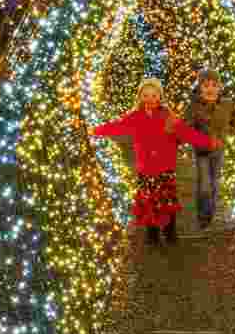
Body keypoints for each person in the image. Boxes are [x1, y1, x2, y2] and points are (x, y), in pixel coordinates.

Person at [91, 77, 221, 244]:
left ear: (160, 97)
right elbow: (117, 126)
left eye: (154, 96)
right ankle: (151, 234)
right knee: (148, 202)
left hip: (165, 168)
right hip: (145, 169)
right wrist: (96, 130)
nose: (150, 99)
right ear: (140, 97)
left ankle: (170, 232)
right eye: (146, 95)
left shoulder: (168, 117)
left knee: (167, 202)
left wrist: (208, 142)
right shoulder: (135, 117)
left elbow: (187, 133)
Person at [184, 69, 235, 229]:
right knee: (204, 184)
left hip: (219, 150)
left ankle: (210, 212)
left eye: (214, 85)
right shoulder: (194, 106)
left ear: (220, 87)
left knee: (214, 182)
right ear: (200, 87)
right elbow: (186, 126)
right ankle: (203, 214)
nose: (210, 88)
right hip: (201, 151)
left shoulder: (227, 104)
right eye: (206, 85)